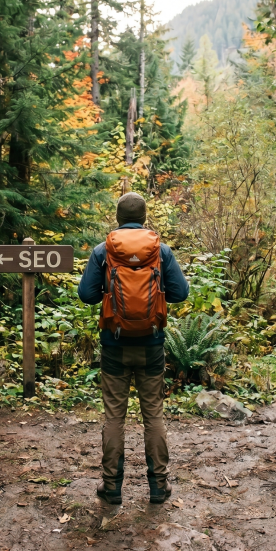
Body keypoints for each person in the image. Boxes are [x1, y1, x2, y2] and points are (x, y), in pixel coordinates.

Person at [77, 192, 189, 505]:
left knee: (114, 417)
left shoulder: (103, 251)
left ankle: (112, 487)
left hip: (114, 345)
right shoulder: (160, 251)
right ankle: (158, 487)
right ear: (144, 217)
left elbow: (86, 295)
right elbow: (180, 292)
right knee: (153, 416)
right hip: (152, 345)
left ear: (118, 217)